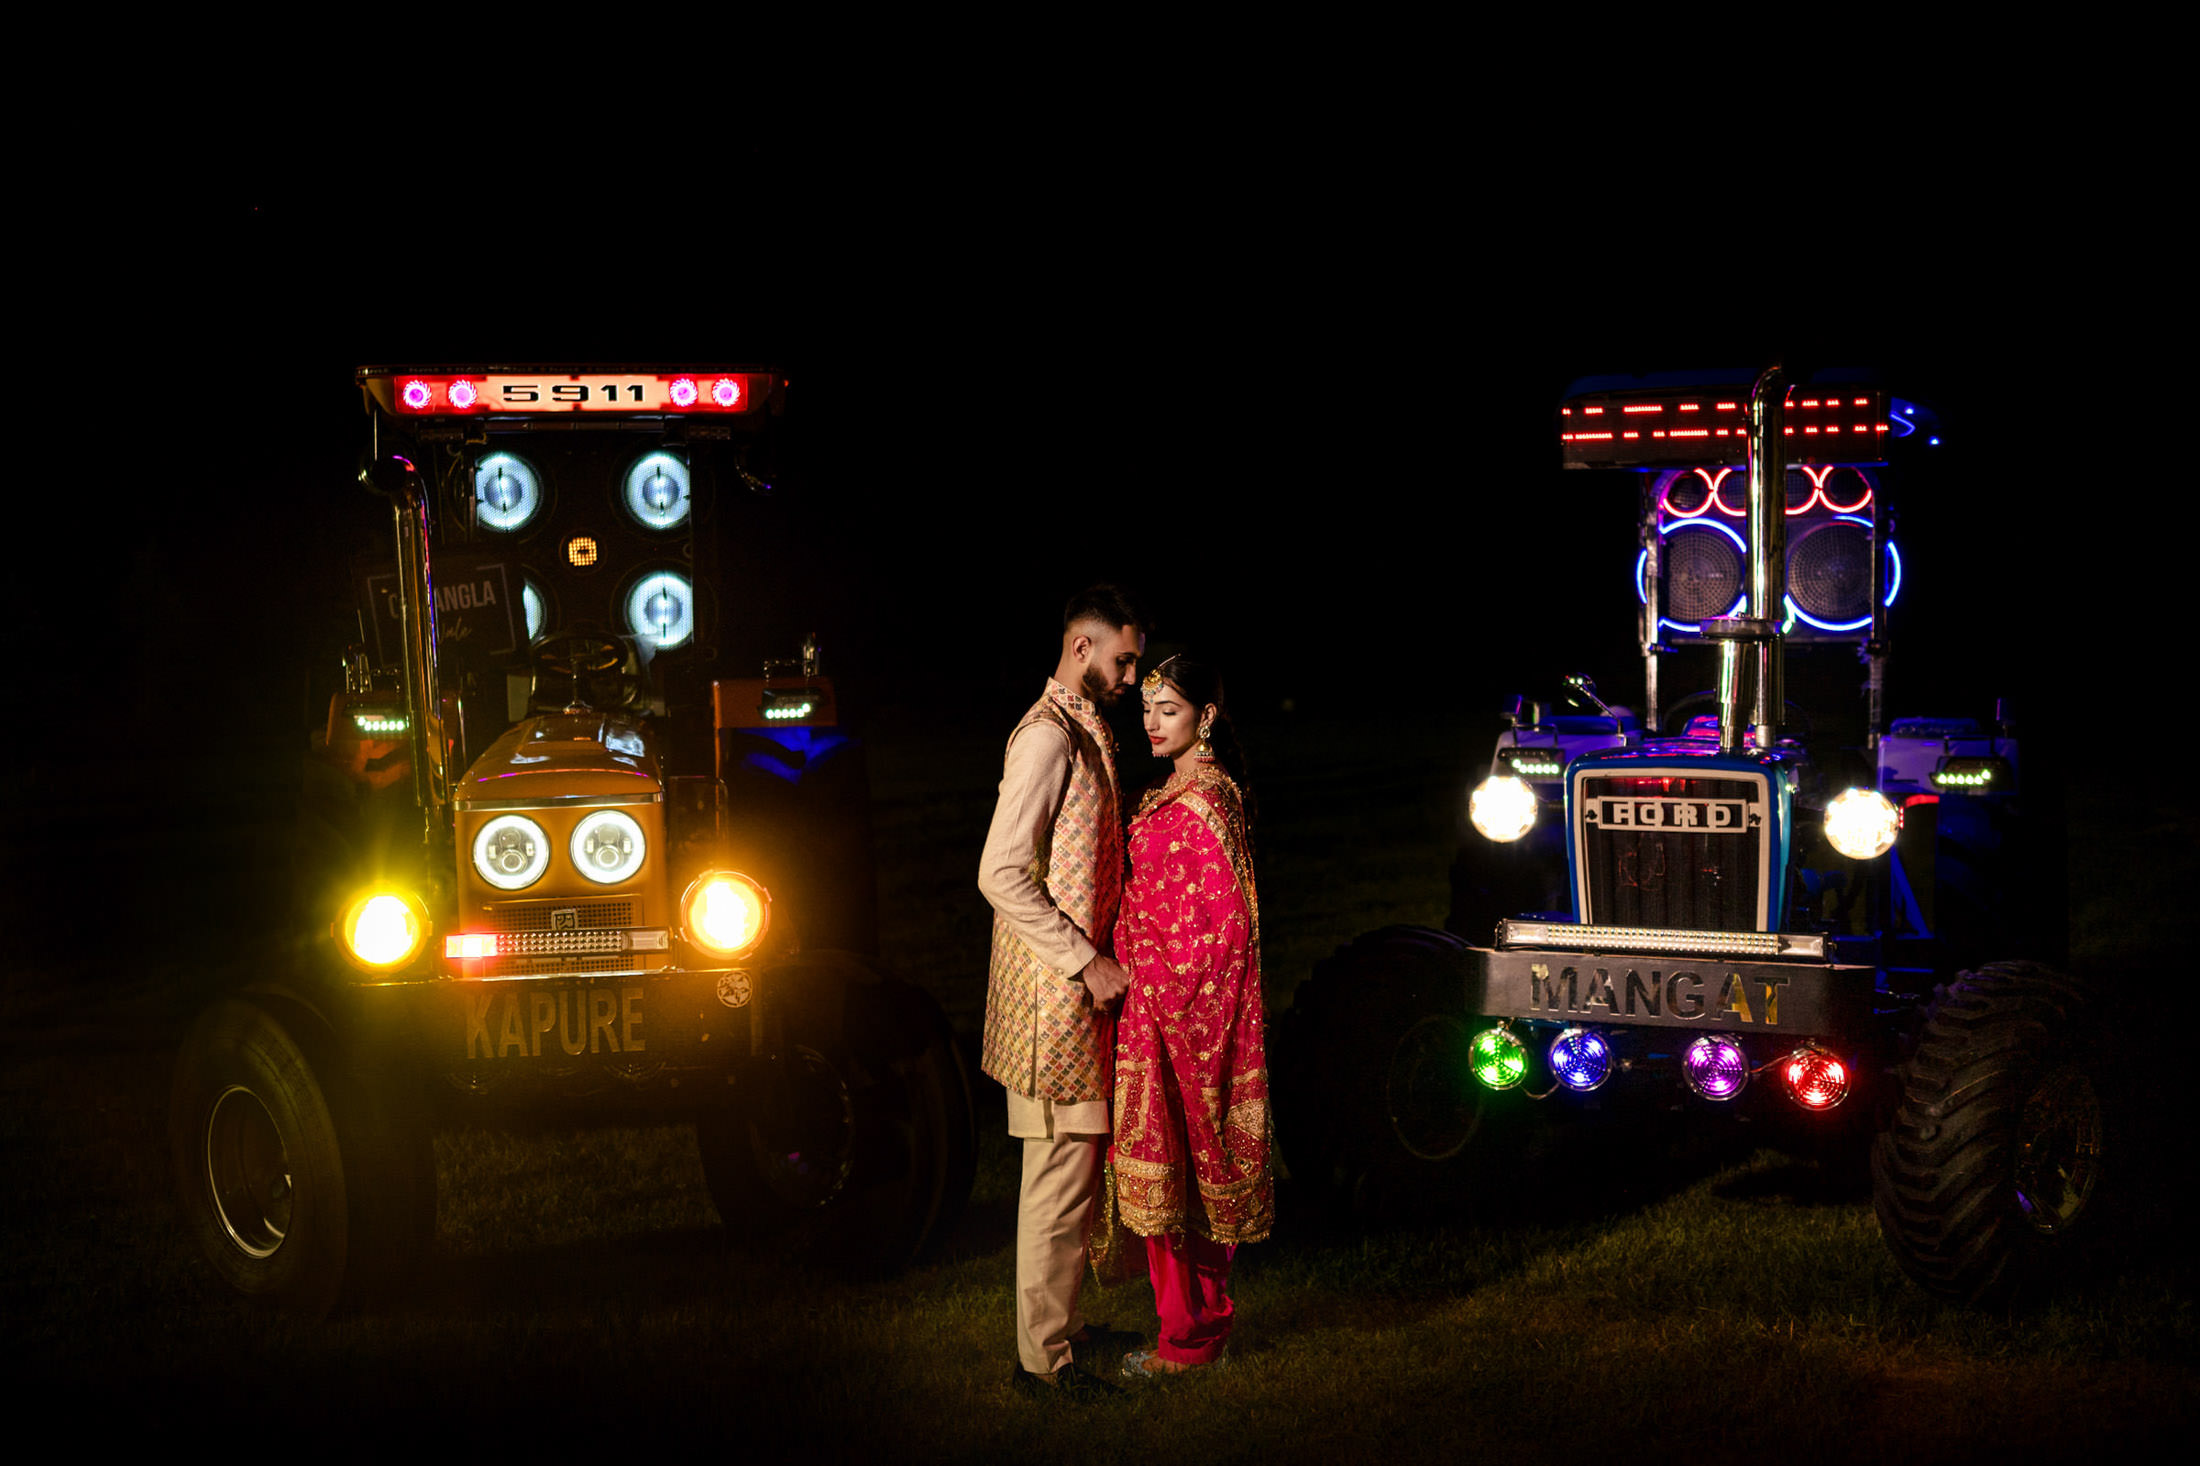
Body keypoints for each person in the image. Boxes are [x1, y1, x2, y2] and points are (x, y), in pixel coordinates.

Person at [978, 584, 1146, 1400]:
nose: (1131, 676)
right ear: (1081, 647)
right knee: (1057, 1174)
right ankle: (1042, 1364)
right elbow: (1000, 873)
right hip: (1054, 996)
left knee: (1074, 1170)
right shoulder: (1046, 739)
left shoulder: (1082, 727)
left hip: (1072, 991)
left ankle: (1066, 1330)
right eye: (1122, 659)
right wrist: (1085, 961)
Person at [1111, 652, 1273, 1378]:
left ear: (1204, 717)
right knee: (1172, 1176)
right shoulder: (1175, 789)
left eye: (1167, 710)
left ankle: (1189, 1343)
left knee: (1187, 1171)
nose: (1150, 723)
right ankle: (1191, 1336)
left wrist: (1161, 984)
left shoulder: (1205, 801)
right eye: (1147, 709)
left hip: (1183, 1014)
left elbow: (1227, 925)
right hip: (1155, 1010)